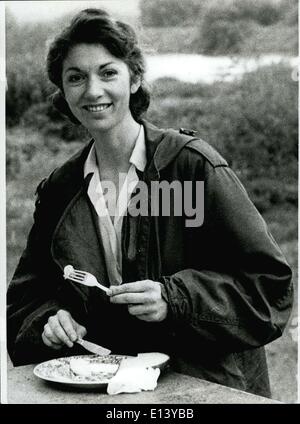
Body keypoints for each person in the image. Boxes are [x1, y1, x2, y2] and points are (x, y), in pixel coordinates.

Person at [7, 8, 293, 398]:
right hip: (109, 391)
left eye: (108, 72)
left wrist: (174, 299)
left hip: (204, 389)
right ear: (62, 88)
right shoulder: (61, 189)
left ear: (135, 78)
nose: (92, 91)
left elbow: (269, 288)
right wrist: (48, 320)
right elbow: (27, 298)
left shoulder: (189, 167)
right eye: (76, 77)